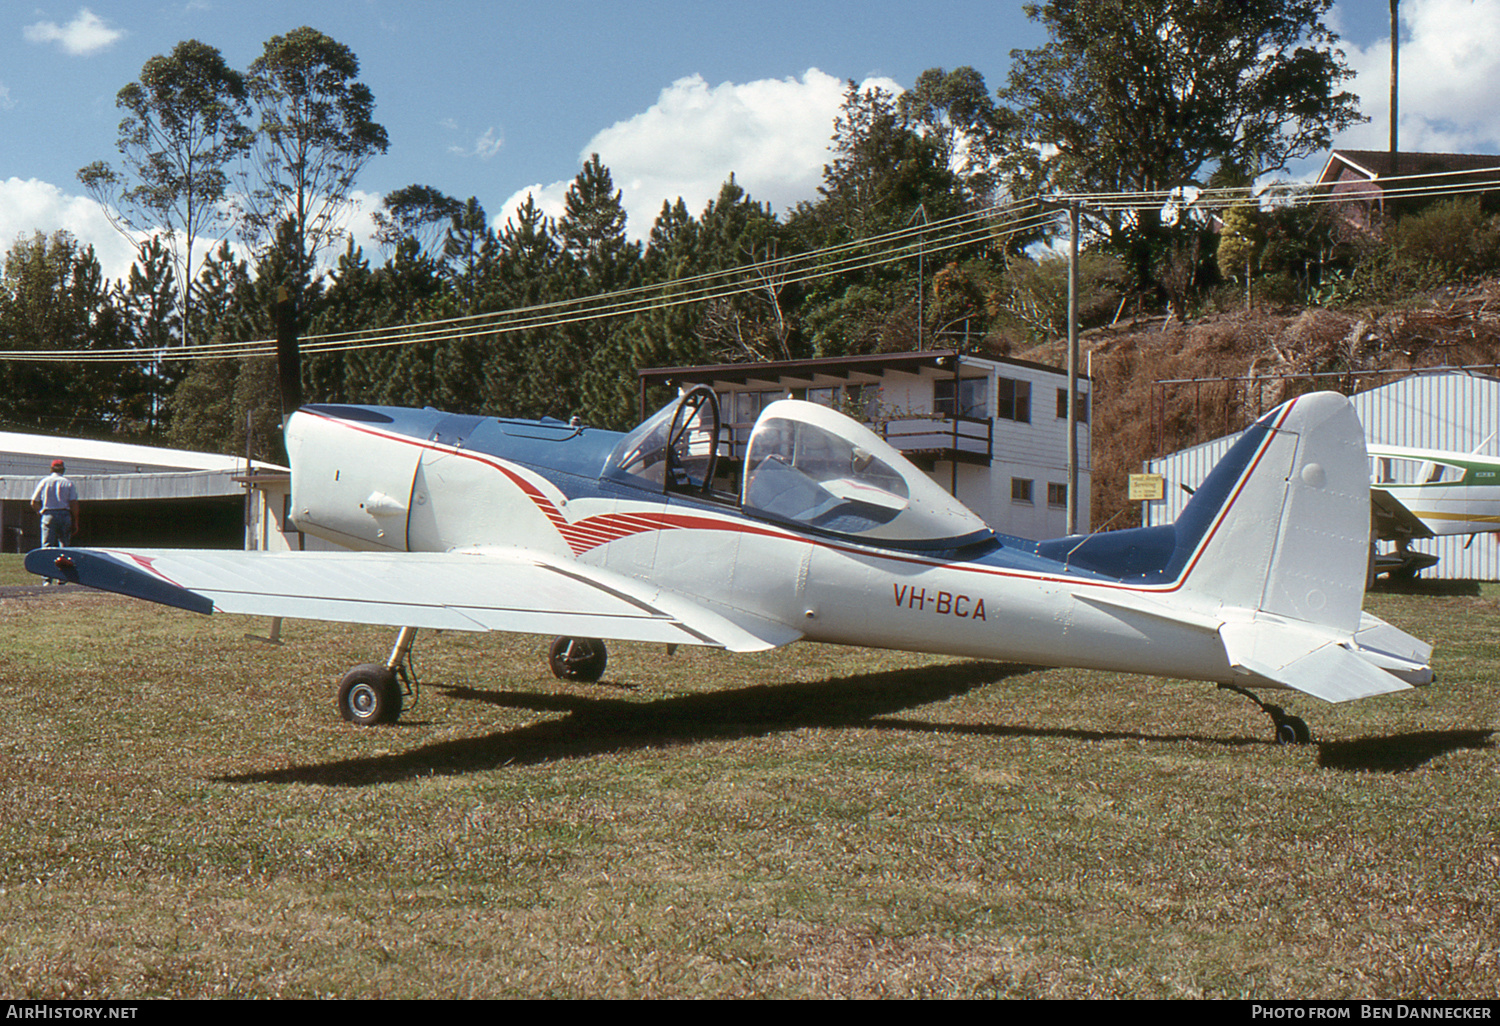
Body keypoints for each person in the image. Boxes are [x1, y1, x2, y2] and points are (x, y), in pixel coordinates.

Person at [31, 459, 80, 551]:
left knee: (47, 545)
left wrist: (40, 512)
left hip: (48, 513)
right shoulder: (68, 483)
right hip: (64, 514)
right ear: (63, 469)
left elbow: (34, 501)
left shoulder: (44, 482)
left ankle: (46, 563)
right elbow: (73, 503)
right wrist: (75, 520)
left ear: (51, 469)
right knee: (64, 545)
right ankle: (63, 563)